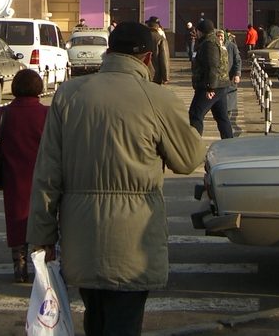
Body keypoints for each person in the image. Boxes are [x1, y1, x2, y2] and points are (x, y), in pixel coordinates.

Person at [28, 21, 206, 336]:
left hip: (81, 238)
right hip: (134, 244)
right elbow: (189, 159)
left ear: (108, 51)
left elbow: (47, 174)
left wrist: (41, 236)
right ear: (149, 58)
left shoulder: (68, 94)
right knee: (125, 323)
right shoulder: (157, 99)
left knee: (95, 318)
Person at [0, 69, 49, 283]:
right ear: (39, 88)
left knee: (17, 219)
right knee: (44, 219)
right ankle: (44, 265)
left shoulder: (2, 114)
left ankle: (19, 264)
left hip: (14, 176)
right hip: (45, 178)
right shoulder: (48, 113)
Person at [189, 19, 233, 140]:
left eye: (197, 31)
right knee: (222, 117)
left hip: (210, 86)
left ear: (201, 31)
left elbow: (212, 66)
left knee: (195, 115)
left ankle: (194, 145)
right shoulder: (214, 42)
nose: (196, 33)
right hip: (221, 85)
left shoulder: (209, 44)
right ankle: (229, 143)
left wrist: (210, 87)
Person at [217, 29, 242, 122]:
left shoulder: (232, 46)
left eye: (221, 36)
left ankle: (227, 115)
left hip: (229, 77)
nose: (220, 38)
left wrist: (237, 74)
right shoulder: (214, 46)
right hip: (218, 79)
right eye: (218, 36)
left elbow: (237, 61)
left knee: (229, 100)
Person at [146, 16, 169, 84]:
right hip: (156, 74)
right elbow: (164, 58)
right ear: (157, 26)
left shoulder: (142, 37)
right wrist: (165, 77)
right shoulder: (160, 38)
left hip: (143, 73)